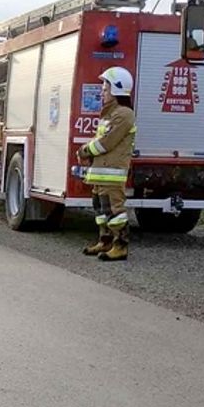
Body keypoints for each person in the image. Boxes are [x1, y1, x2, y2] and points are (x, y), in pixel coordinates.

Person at [77, 66, 137, 262]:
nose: (102, 91)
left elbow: (107, 142)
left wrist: (85, 150)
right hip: (102, 173)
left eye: (105, 88)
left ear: (117, 89)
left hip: (112, 173)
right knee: (102, 210)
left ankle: (120, 246)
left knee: (115, 211)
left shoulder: (123, 114)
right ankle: (105, 241)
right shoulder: (110, 114)